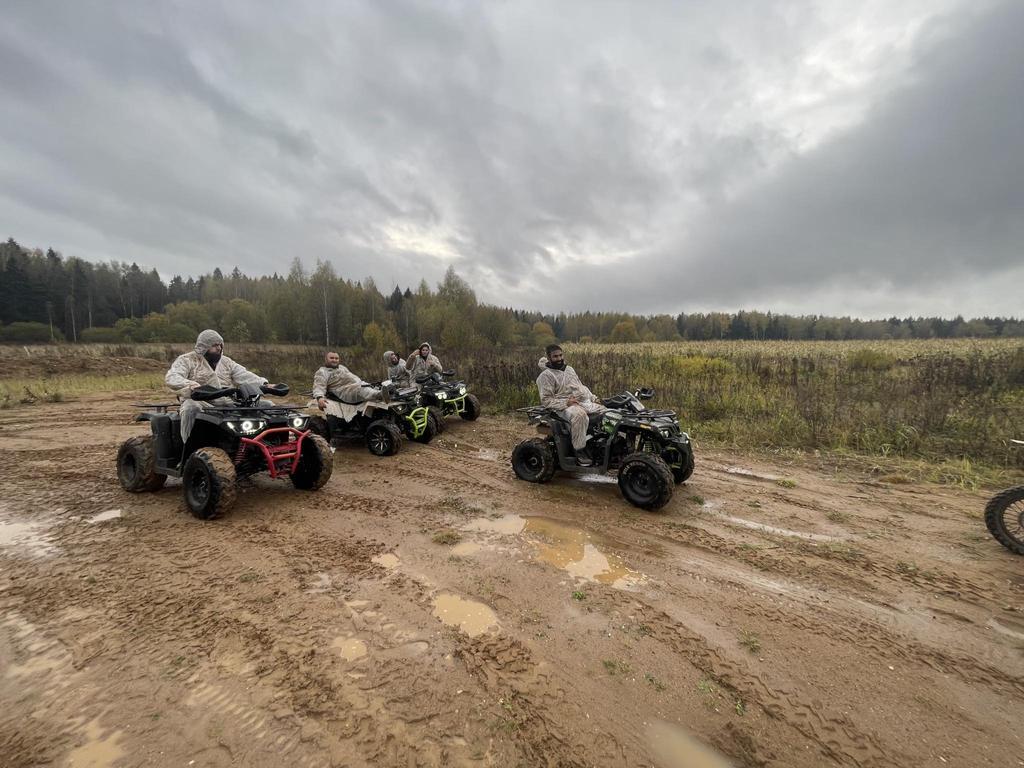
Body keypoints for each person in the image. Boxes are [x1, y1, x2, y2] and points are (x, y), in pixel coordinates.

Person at [165, 329, 269, 442]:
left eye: (220, 345)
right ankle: (187, 443)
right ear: (203, 346)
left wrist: (264, 384)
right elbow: (172, 377)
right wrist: (191, 385)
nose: (219, 348)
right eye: (214, 345)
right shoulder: (187, 360)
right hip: (202, 402)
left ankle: (266, 443)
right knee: (190, 407)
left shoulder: (226, 362)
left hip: (227, 403)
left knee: (266, 405)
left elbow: (244, 375)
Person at [536, 343, 606, 466]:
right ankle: (579, 450)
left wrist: (594, 398)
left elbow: (580, 386)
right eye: (555, 356)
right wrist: (566, 403)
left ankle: (601, 444)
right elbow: (546, 400)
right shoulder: (546, 376)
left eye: (560, 355)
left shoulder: (569, 369)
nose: (559, 358)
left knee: (606, 412)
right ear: (549, 357)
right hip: (561, 407)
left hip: (580, 402)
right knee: (580, 415)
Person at [313, 351, 385, 412]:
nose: (334, 360)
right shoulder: (322, 372)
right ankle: (379, 395)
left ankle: (388, 392)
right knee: (361, 389)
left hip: (358, 384)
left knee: (374, 385)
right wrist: (320, 398)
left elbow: (352, 377)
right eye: (331, 358)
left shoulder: (342, 367)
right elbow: (319, 386)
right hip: (345, 391)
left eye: (336, 358)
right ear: (326, 359)